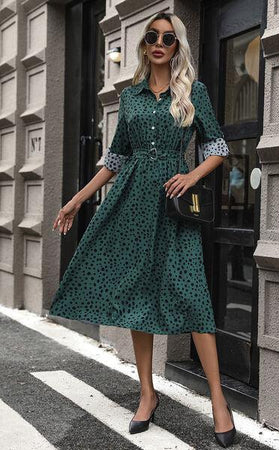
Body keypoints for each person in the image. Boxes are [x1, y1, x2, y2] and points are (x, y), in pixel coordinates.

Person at [49, 11, 236, 448]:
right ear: (143, 45)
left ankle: (218, 400)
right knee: (138, 293)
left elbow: (218, 146)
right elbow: (114, 160)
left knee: (192, 294)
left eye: (168, 38)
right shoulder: (130, 98)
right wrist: (77, 201)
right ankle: (147, 394)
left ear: (177, 46)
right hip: (132, 205)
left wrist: (191, 176)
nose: (159, 43)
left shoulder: (194, 91)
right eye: (152, 36)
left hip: (174, 209)